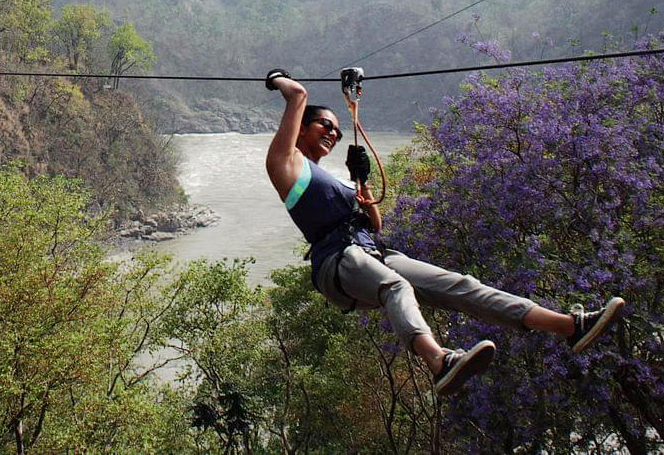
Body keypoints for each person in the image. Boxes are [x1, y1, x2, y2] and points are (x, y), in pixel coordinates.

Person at [264, 71, 625, 396]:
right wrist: (277, 78)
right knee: (397, 287)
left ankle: (569, 326)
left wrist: (364, 185)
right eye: (325, 126)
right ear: (302, 128)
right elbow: (297, 94)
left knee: (461, 285)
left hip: (370, 252)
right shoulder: (287, 163)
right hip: (336, 263)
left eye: (338, 132)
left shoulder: (334, 180)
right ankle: (439, 362)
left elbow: (374, 226)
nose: (333, 133)